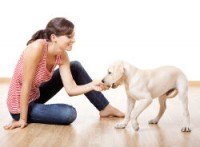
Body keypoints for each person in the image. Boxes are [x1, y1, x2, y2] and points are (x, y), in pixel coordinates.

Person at [4, 17, 124, 130]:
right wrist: (22, 119)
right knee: (69, 114)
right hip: (19, 106)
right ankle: (25, 115)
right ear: (54, 37)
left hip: (35, 95)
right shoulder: (36, 48)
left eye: (73, 36)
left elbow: (71, 89)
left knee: (75, 66)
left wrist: (92, 85)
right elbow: (26, 85)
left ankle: (105, 108)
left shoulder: (62, 55)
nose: (73, 40)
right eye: (69, 36)